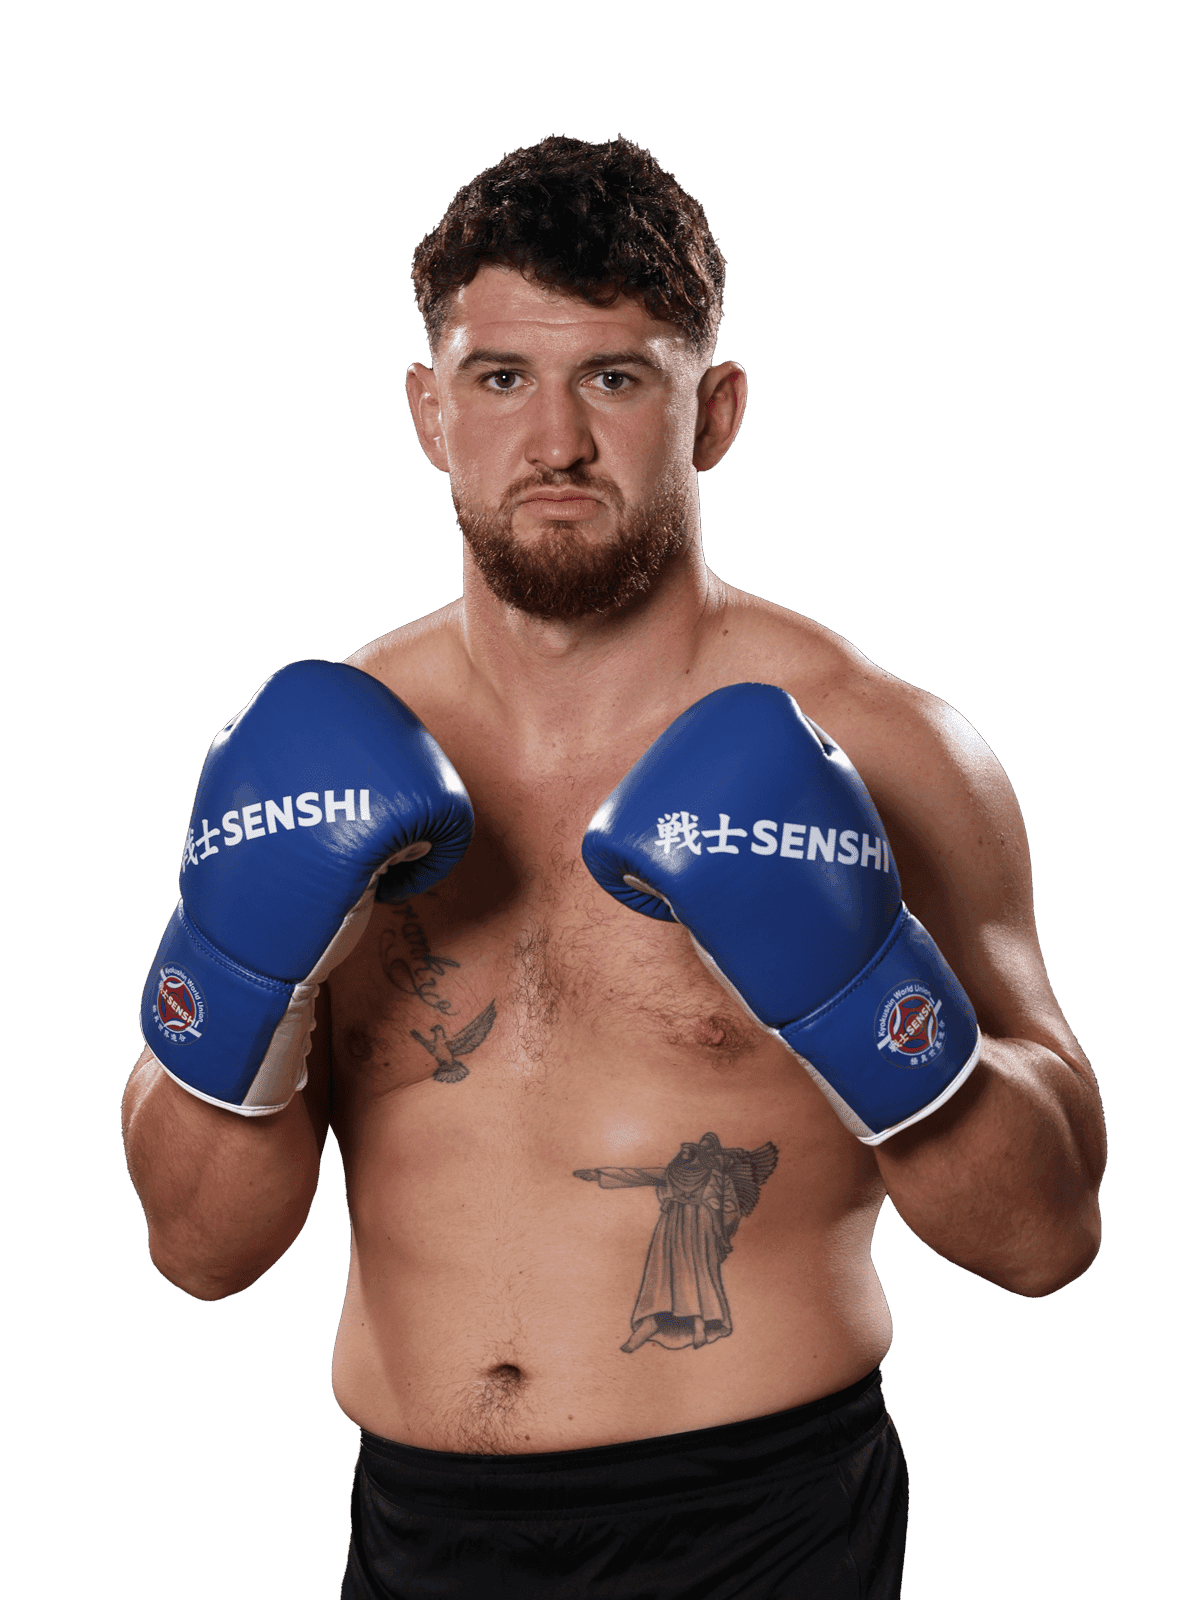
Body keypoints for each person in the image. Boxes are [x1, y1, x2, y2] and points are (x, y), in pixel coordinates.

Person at [122, 135, 1107, 1598]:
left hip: (759, 1523)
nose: (556, 441)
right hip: (416, 1531)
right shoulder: (313, 761)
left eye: (616, 377)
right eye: (499, 378)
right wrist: (244, 977)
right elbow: (200, 1250)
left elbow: (1044, 1237)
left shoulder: (883, 748)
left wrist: (858, 986)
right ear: (429, 412)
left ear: (714, 412)